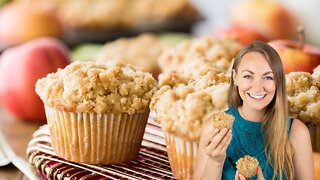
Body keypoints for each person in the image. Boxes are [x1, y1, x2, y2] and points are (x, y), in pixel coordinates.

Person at [193, 41, 315, 180]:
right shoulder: (213, 128)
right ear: (235, 77)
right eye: (248, 76)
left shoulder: (297, 132)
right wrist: (215, 162)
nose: (257, 87)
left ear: (278, 81)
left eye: (268, 77)